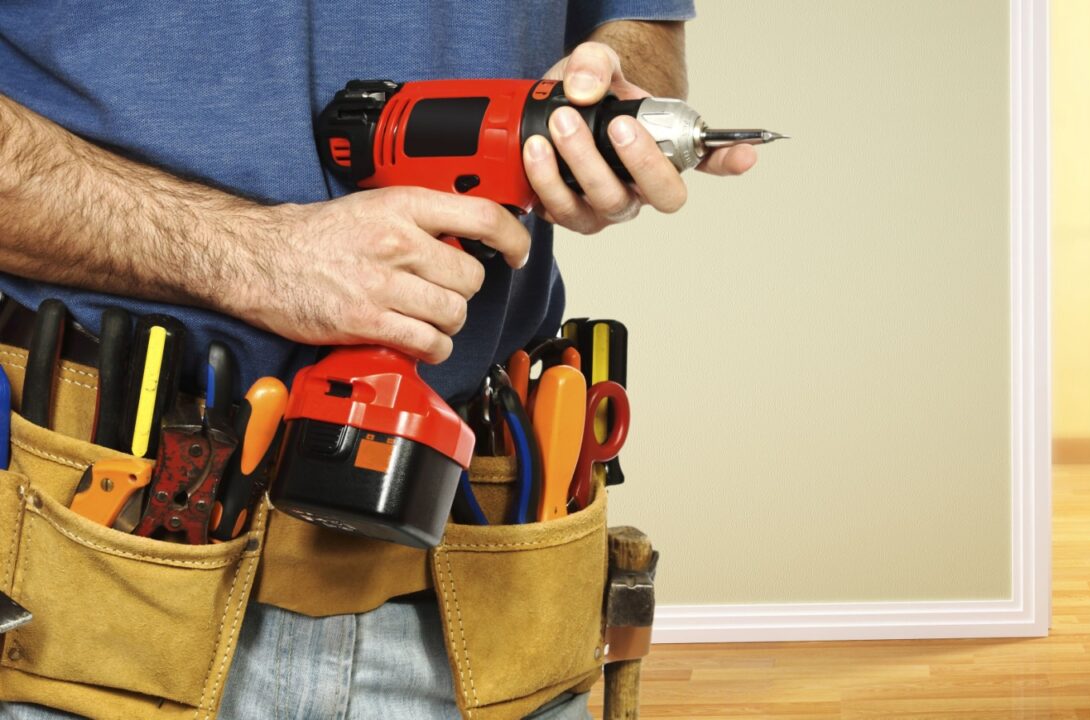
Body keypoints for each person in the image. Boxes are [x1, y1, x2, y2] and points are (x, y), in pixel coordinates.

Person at [0, 2, 755, 718]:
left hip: (483, 579)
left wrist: (608, 110)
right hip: (90, 573)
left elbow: (641, 31)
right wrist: (246, 255)